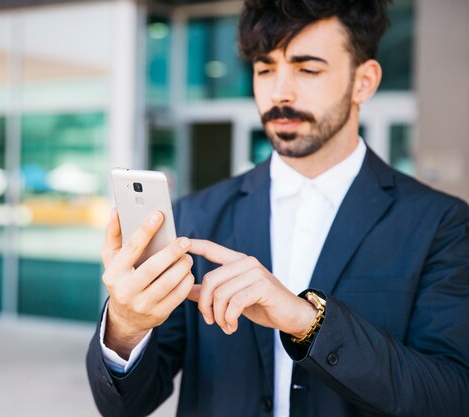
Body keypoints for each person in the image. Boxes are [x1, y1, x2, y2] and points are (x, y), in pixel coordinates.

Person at [86, 0, 469, 416]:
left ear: (364, 80)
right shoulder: (197, 216)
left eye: (307, 69)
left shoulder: (440, 224)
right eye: (265, 68)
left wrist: (307, 321)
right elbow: (125, 407)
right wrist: (125, 325)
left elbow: (451, 394)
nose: (280, 91)